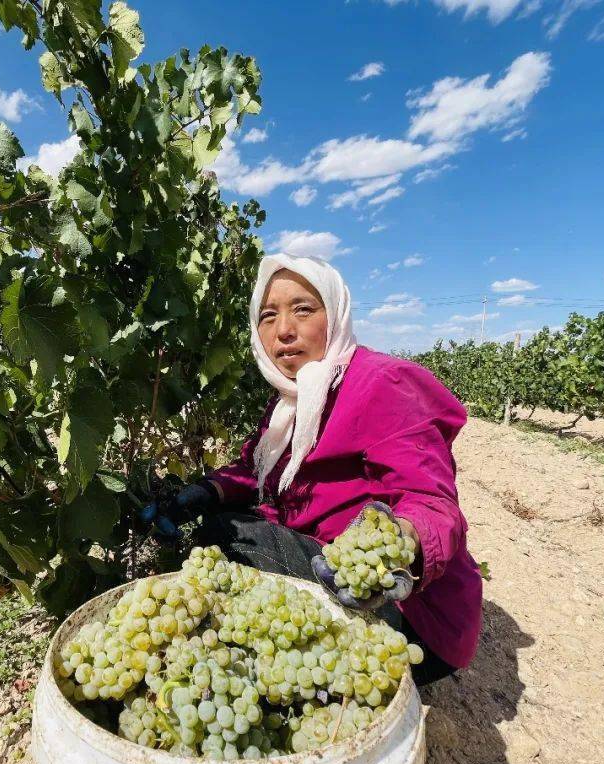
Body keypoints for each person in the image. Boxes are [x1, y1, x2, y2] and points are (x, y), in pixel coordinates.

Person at [141, 252, 482, 687]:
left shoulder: (383, 383)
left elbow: (431, 501)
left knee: (226, 538)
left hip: (412, 621)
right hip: (327, 562)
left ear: (335, 314)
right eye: (268, 316)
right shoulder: (290, 404)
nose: (283, 330)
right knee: (222, 526)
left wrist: (401, 546)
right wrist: (205, 491)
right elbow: (254, 469)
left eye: (303, 309)